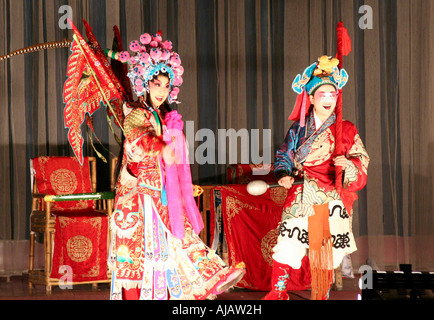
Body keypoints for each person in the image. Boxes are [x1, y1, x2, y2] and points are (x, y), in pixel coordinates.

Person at [107, 32, 245, 300]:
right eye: (156, 84)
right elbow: (139, 138)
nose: (161, 91)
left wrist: (181, 184)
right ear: (145, 84)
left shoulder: (163, 117)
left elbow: (171, 162)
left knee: (175, 248)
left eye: (166, 86)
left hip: (160, 195)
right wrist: (161, 147)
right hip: (138, 199)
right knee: (138, 263)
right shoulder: (135, 112)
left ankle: (211, 276)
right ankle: (211, 276)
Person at [263, 55, 369, 300]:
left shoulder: (347, 129)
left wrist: (348, 165)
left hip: (330, 196)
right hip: (302, 192)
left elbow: (361, 159)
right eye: (322, 95)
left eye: (333, 95)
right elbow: (284, 155)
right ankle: (278, 293)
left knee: (323, 253)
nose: (328, 99)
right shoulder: (300, 129)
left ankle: (320, 296)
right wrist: (283, 174)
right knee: (288, 244)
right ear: (310, 98)